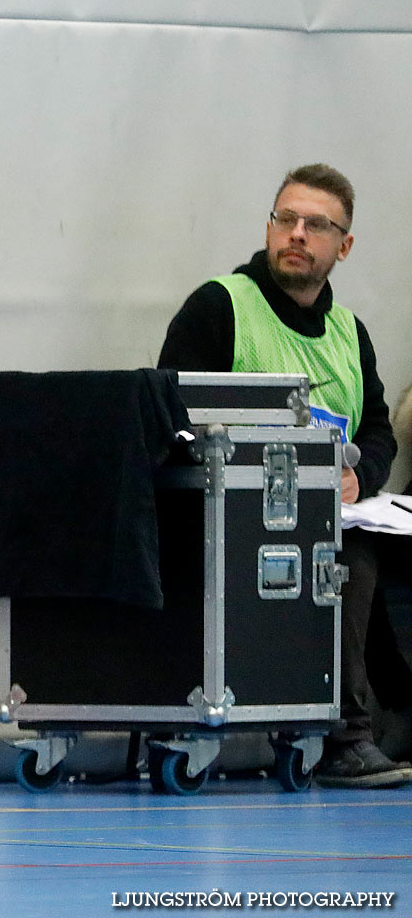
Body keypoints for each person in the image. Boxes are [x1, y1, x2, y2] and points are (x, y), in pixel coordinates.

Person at [158, 163, 408, 788]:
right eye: (285, 220)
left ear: (343, 246)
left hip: (329, 511)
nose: (296, 234)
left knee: (361, 540)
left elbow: (376, 429)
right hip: (230, 519)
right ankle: (349, 736)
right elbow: (171, 418)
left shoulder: (350, 334)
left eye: (316, 225)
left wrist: (362, 476)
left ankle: (383, 717)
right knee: (350, 552)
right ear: (268, 228)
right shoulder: (219, 307)